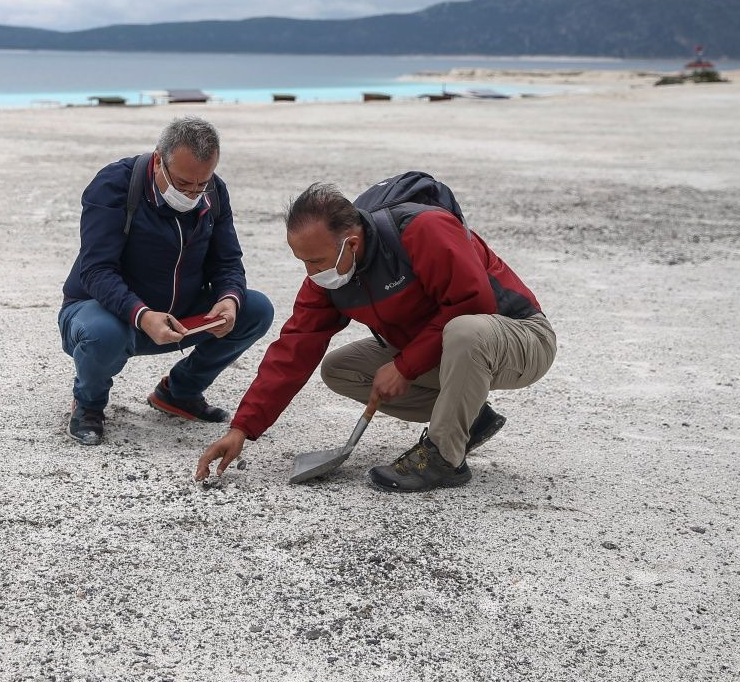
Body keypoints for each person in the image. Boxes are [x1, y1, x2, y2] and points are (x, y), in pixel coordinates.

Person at [196, 181, 556, 491]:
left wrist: (405, 366)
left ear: (351, 244)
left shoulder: (422, 229)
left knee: (465, 330)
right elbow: (294, 348)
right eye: (302, 261)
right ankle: (468, 420)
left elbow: (472, 302)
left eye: (316, 261)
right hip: (448, 350)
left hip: (519, 336)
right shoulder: (327, 277)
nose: (310, 273)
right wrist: (242, 428)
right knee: (340, 368)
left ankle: (445, 458)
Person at [59, 116, 274, 445]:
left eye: (201, 185)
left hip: (178, 317)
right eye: (184, 184)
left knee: (255, 308)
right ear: (159, 160)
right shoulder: (115, 184)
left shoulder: (214, 192)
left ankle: (179, 393)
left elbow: (228, 261)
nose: (192, 194)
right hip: (108, 314)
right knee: (103, 334)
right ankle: (88, 403)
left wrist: (228, 299)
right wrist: (141, 315)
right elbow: (95, 271)